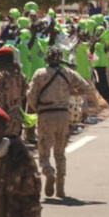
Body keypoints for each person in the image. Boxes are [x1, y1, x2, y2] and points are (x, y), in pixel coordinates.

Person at [27, 47, 94, 199]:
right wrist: (70, 92)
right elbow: (87, 88)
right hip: (63, 115)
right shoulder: (68, 73)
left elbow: (30, 95)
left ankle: (48, 171)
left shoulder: (40, 74)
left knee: (44, 151)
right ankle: (60, 188)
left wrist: (37, 108)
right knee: (60, 152)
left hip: (45, 114)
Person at [0, 47, 29, 137]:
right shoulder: (20, 75)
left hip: (3, 118)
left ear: (3, 59)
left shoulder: (1, 76)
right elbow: (24, 95)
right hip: (16, 116)